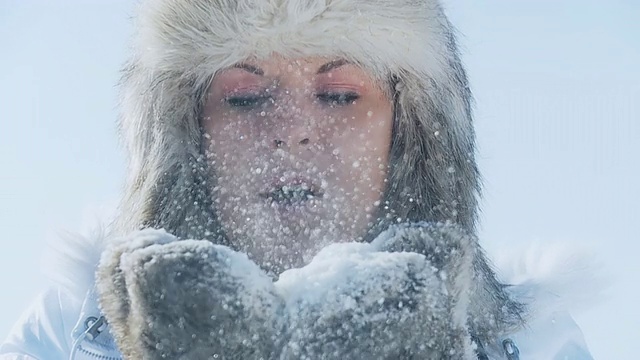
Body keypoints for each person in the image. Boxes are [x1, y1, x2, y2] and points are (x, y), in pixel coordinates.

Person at [0, 0, 594, 359]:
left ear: (408, 132)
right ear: (185, 139)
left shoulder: (533, 348)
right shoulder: (71, 331)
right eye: (246, 96)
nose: (291, 131)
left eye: (338, 94)